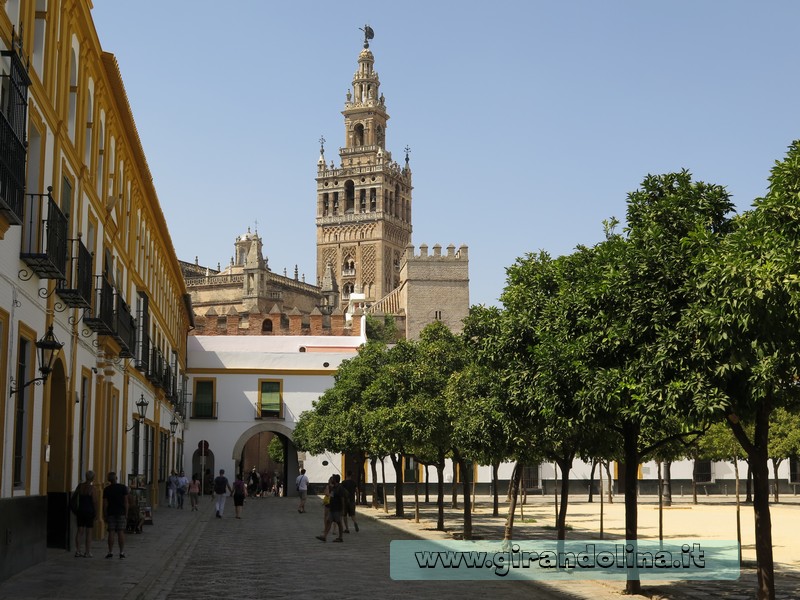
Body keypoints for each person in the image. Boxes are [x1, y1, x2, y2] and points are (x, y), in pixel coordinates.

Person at [103, 471, 129, 559]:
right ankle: (121, 552)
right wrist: (126, 513)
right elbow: (126, 502)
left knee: (111, 532)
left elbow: (105, 503)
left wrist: (105, 514)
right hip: (121, 512)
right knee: (121, 532)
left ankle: (110, 551)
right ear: (116, 478)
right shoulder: (123, 488)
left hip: (111, 512)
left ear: (108, 480)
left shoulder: (106, 489)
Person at [74, 470, 99, 557]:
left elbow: (75, 496)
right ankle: (87, 552)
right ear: (93, 478)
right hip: (89, 512)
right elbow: (95, 502)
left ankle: (77, 550)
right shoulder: (93, 489)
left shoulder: (80, 486)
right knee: (89, 532)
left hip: (80, 511)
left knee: (79, 531)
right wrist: (96, 513)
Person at [316, 474, 344, 542]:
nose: (331, 479)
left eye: (333, 479)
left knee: (339, 523)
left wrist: (342, 509)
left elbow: (342, 499)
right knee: (328, 521)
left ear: (335, 480)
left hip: (337, 509)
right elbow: (331, 496)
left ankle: (340, 537)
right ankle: (324, 536)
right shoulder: (333, 487)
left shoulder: (340, 488)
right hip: (332, 508)